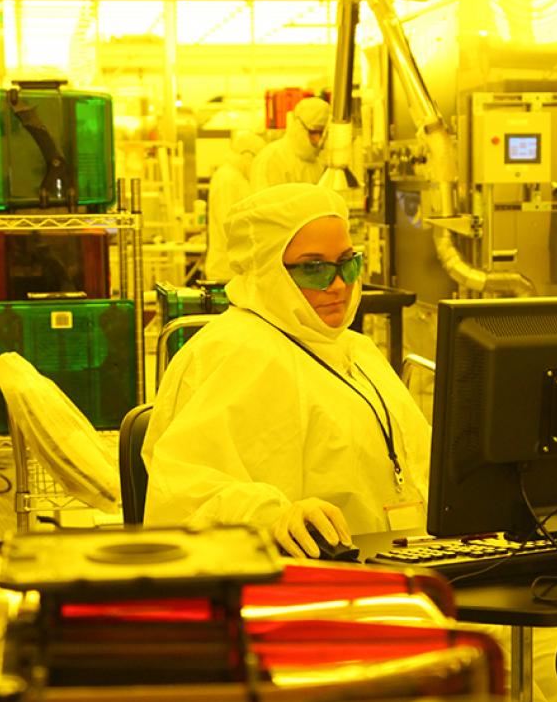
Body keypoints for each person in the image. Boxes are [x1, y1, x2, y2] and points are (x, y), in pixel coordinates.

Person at [142, 183, 431, 558]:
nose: (339, 284)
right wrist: (271, 517)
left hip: (399, 559)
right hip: (303, 580)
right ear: (266, 270)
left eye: (348, 263)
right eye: (314, 269)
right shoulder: (230, 354)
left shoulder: (352, 349)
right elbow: (182, 493)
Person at [204, 131, 266, 283]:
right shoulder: (228, 179)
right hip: (226, 271)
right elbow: (230, 225)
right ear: (247, 155)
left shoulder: (235, 177)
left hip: (232, 269)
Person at [250, 97, 330, 190]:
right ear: (298, 128)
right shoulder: (272, 159)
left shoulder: (319, 162)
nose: (318, 140)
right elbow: (265, 202)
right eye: (313, 132)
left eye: (322, 133)